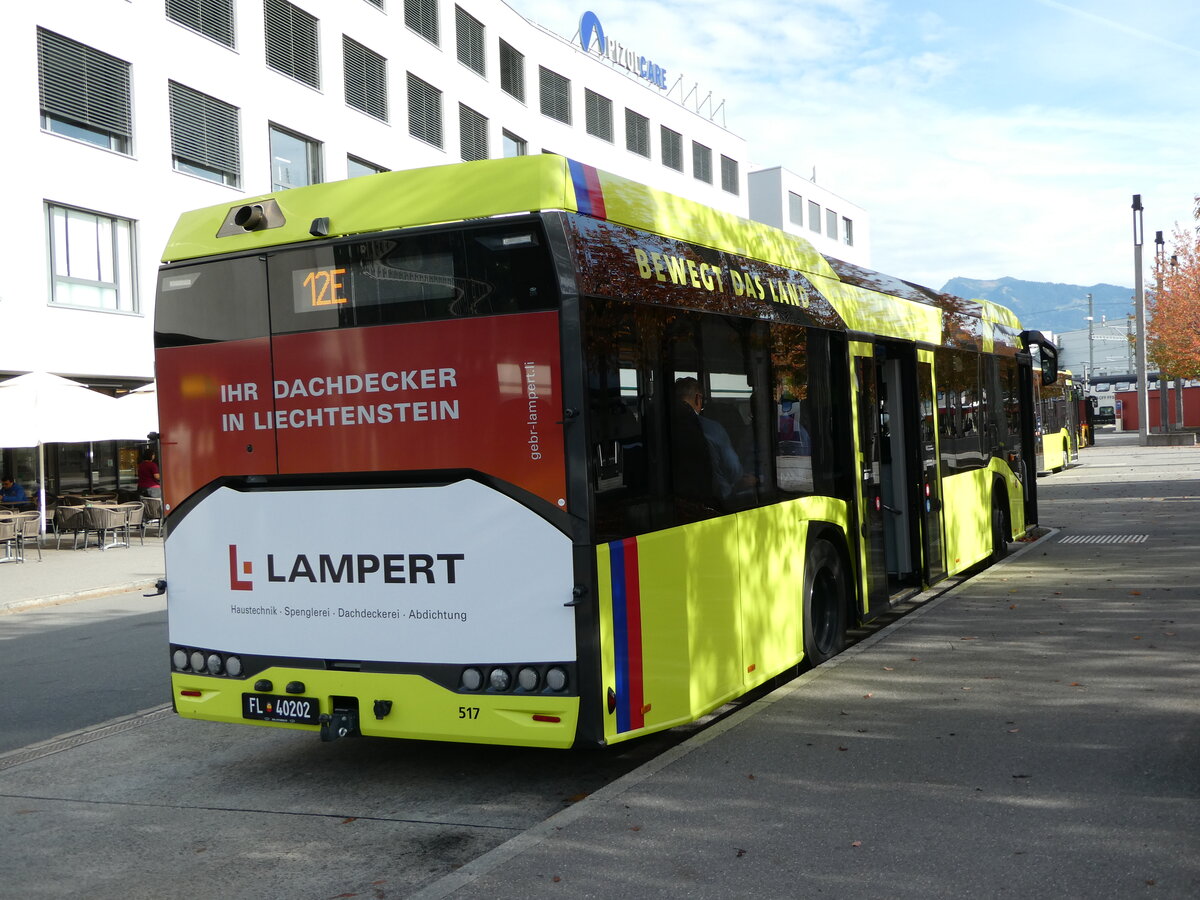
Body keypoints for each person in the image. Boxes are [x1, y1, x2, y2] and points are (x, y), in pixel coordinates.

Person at [674, 377, 755, 503]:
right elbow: (734, 470)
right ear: (697, 398)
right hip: (717, 499)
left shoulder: (661, 426)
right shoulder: (711, 428)